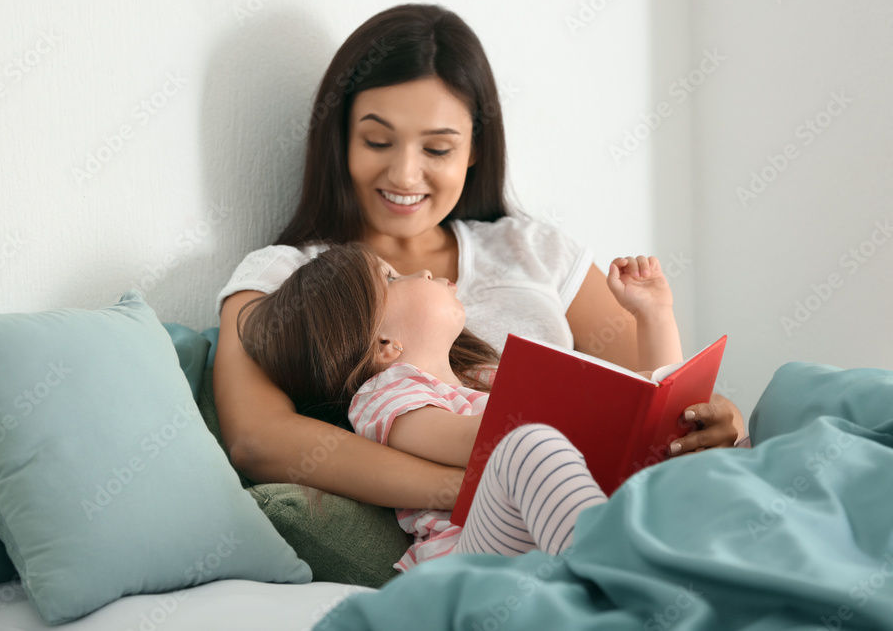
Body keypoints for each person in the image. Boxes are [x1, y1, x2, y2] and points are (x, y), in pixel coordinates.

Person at [213, 3, 743, 512]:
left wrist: (719, 421)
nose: (403, 174)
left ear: (475, 150)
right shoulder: (287, 275)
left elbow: (660, 392)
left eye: (437, 149)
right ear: (340, 138)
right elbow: (260, 440)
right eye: (377, 141)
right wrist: (481, 487)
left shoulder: (535, 250)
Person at [237, 243, 683, 570]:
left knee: (670, 453)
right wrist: (591, 402)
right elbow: (483, 443)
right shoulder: (384, 396)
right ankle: (627, 577)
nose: (422, 274)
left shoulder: (485, 379)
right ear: (384, 344)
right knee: (527, 445)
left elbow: (657, 396)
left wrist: (653, 315)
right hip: (471, 561)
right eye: (392, 279)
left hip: (538, 543)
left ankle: (642, 570)